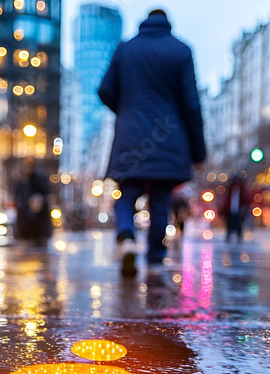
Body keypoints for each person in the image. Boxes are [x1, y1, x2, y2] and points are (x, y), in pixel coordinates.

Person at [98, 9, 206, 277]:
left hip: (130, 136)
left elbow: (104, 89)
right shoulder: (181, 51)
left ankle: (126, 238)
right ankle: (156, 261)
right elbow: (191, 104)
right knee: (160, 200)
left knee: (127, 193)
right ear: (168, 24)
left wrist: (126, 111)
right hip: (169, 137)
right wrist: (198, 149)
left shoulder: (125, 49)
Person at [13, 157, 53, 246]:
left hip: (37, 214)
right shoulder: (22, 180)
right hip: (26, 213)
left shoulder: (38, 178)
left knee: (37, 231)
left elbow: (45, 192)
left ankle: (37, 239)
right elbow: (18, 194)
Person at [222, 173, 249, 242]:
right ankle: (229, 236)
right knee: (229, 224)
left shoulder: (242, 190)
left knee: (238, 224)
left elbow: (245, 200)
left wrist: (244, 209)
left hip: (238, 211)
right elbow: (227, 200)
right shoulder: (230, 190)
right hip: (231, 210)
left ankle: (239, 236)